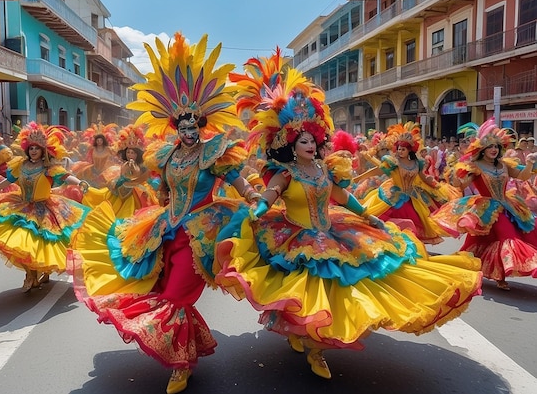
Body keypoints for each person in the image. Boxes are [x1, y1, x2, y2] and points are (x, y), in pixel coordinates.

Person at [215, 51, 482, 380]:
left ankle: (316, 346)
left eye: (313, 139)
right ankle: (307, 339)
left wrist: (369, 217)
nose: (311, 145)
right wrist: (255, 211)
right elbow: (268, 199)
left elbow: (343, 196)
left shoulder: (324, 170)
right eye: (303, 141)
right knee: (304, 292)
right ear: (289, 145)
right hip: (296, 237)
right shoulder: (284, 175)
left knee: (344, 288)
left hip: (336, 233)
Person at [67, 33, 255, 394]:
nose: (187, 130)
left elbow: (238, 181)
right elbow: (163, 190)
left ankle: (180, 365)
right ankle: (184, 352)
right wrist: (154, 200)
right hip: (166, 230)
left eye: (192, 125)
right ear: (175, 127)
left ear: (201, 125)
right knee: (162, 288)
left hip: (200, 234)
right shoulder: (167, 156)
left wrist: (256, 197)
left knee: (177, 297)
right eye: (181, 125)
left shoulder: (215, 152)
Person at [0, 122, 91, 292]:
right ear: (27, 149)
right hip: (21, 205)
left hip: (45, 209)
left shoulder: (49, 167)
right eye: (31, 148)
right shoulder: (21, 165)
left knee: (40, 244)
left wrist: (80, 182)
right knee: (22, 243)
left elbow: (66, 176)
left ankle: (39, 273)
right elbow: (8, 180)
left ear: (43, 150)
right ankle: (30, 274)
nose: (33, 151)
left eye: (37, 148)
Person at [432, 118, 537, 290]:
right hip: (486, 209)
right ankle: (490, 273)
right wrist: (456, 175)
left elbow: (523, 176)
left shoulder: (504, 165)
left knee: (481, 244)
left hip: (508, 205)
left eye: (496, 146)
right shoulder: (476, 166)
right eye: (490, 147)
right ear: (482, 149)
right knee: (505, 237)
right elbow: (461, 184)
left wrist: (531, 163)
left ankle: (493, 273)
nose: (494, 149)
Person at [359, 122, 452, 244]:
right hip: (394, 195)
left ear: (409, 150)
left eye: (403, 149)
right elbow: (377, 170)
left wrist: (434, 185)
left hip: (413, 196)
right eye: (398, 149)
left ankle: (413, 245)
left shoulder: (417, 163)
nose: (400, 151)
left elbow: (423, 177)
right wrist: (358, 178)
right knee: (392, 221)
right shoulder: (393, 162)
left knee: (419, 221)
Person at [81, 124, 158, 217]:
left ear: (138, 154)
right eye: (128, 152)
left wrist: (132, 179)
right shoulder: (125, 164)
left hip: (137, 191)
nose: (130, 155)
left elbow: (141, 178)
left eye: (132, 153)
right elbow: (122, 176)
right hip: (124, 189)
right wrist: (120, 182)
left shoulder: (143, 166)